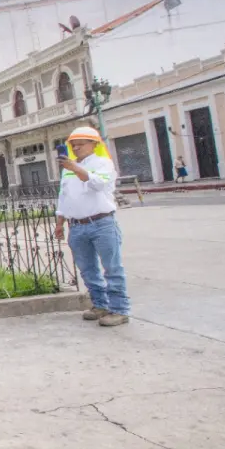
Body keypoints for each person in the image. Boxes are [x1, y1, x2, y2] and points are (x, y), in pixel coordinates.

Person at [54, 126, 130, 326]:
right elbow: (64, 196)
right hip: (77, 226)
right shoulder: (69, 168)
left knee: (112, 268)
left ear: (94, 144)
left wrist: (77, 169)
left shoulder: (103, 163)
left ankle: (119, 310)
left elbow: (99, 185)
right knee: (88, 270)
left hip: (102, 222)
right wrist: (60, 222)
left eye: (81, 143)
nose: (76, 147)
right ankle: (100, 305)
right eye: (73, 144)